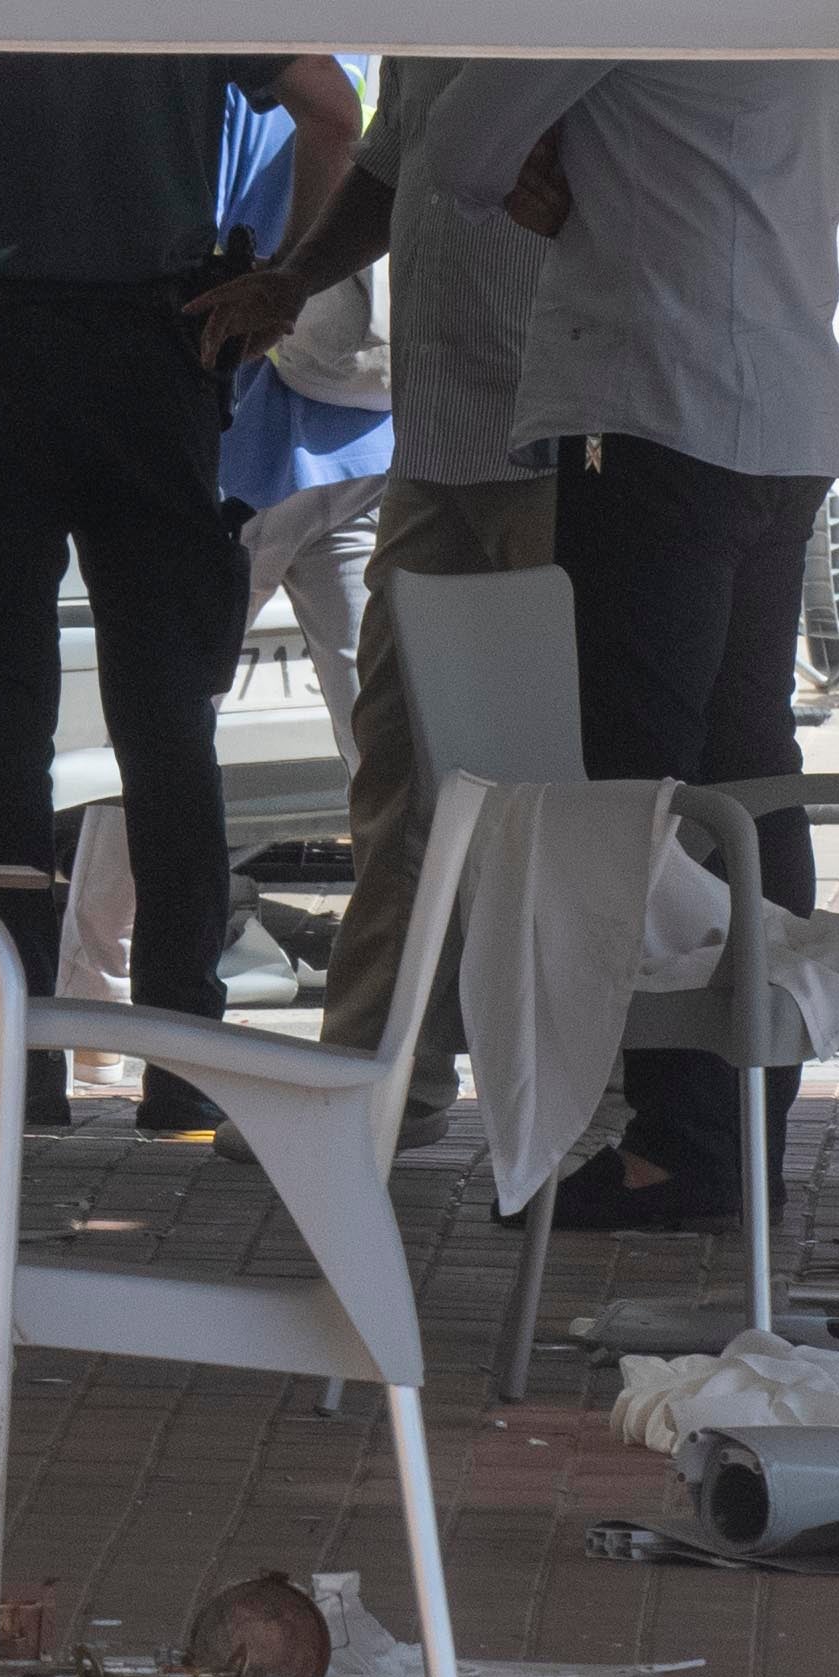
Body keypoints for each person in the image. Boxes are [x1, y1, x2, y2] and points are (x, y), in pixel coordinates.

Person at [0, 48, 357, 1095]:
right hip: (160, 360)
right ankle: (186, 1068)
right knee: (169, 731)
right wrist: (282, 282)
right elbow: (333, 112)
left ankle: (15, 1063)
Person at [504, 60, 839, 1232]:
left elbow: (455, 147)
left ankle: (680, 1140)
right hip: (789, 409)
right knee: (751, 758)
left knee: (646, 776)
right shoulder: (827, 19)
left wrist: (550, 151)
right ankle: (743, 1125)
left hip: (655, 405)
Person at [195, 58, 588, 1109]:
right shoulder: (427, 9)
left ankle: (596, 1092)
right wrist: (294, 278)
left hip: (569, 437)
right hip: (435, 440)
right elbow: (384, 161)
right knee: (399, 768)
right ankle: (377, 1075)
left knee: (571, 780)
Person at [211, 66, 390, 768]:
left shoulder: (239, 71)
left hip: (234, 451)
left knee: (167, 729)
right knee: (384, 747)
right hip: (366, 436)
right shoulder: (376, 59)